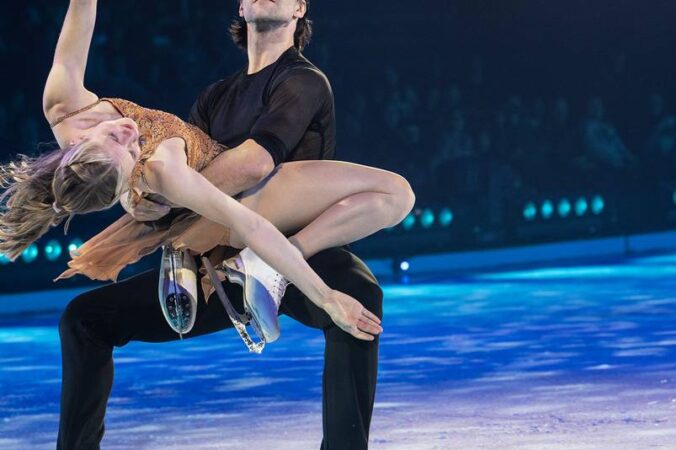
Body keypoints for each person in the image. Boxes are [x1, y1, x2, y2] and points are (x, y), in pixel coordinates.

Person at [0, 0, 409, 448]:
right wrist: (153, 200)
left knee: (357, 297)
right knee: (83, 319)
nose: (130, 134)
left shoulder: (302, 79)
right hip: (224, 260)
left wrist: (161, 206)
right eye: (127, 147)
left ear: (299, 9)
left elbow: (253, 164)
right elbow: (181, 187)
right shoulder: (213, 98)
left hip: (299, 242)